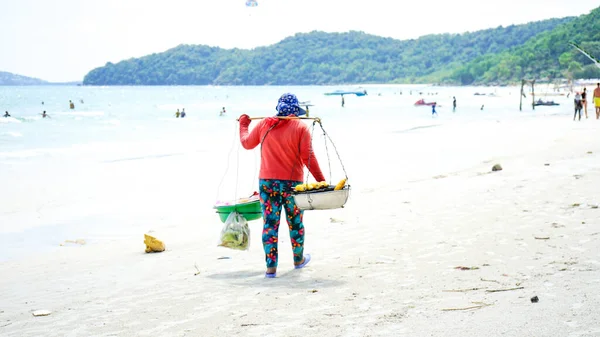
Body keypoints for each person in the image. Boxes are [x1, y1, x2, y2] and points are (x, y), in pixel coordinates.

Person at [238, 93, 325, 278]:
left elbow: (246, 143)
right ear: (295, 111)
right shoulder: (301, 127)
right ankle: (298, 259)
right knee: (295, 223)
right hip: (292, 186)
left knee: (270, 224)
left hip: (267, 184)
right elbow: (308, 157)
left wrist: (244, 125)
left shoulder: (264, 124)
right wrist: (321, 181)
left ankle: (271, 268)